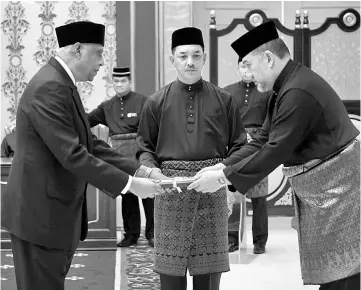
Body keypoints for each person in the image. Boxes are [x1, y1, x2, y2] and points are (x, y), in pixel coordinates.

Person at [188, 21, 360, 290]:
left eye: (249, 64)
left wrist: (223, 179)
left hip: (339, 188)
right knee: (333, 268)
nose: (248, 72)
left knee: (345, 270)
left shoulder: (297, 91)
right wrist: (222, 166)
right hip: (325, 190)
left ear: (268, 59)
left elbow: (275, 150)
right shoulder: (283, 87)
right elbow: (261, 140)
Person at [1, 21, 164, 290]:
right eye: (98, 53)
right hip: (39, 216)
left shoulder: (61, 82)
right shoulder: (50, 86)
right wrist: (132, 186)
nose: (102, 62)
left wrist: (140, 170)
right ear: (77, 49)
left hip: (50, 214)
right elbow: (73, 154)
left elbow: (88, 144)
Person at [136, 27, 247, 290]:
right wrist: (155, 174)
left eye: (196, 56)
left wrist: (222, 177)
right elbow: (144, 148)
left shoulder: (225, 100)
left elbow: (241, 148)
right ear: (172, 58)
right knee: (170, 278)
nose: (190, 62)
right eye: (183, 55)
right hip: (169, 193)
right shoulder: (155, 102)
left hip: (211, 191)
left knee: (208, 279)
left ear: (204, 58)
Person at [87, 67, 154, 247]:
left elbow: (154, 127)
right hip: (118, 157)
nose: (119, 84)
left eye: (122, 81)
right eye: (115, 81)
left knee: (149, 193)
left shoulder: (143, 101)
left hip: (141, 153)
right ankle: (131, 234)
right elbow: (85, 121)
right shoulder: (107, 107)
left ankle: (153, 234)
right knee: (128, 194)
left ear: (129, 82)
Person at [223, 58, 272, 254]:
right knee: (234, 196)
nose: (246, 70)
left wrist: (258, 138)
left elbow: (272, 121)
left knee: (259, 197)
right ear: (237, 68)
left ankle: (260, 241)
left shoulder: (267, 91)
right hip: (235, 148)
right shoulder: (227, 91)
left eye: (250, 65)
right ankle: (232, 238)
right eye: (243, 66)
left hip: (259, 148)